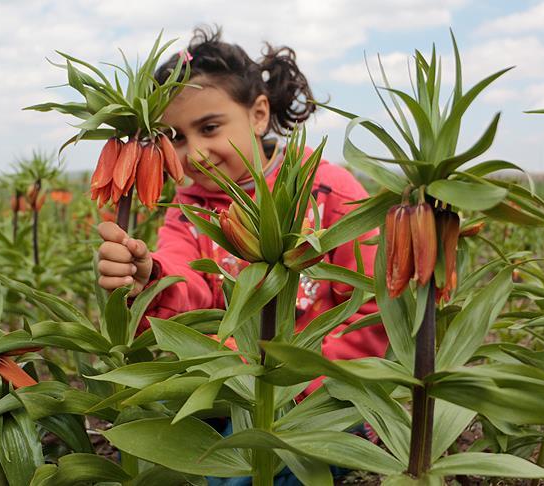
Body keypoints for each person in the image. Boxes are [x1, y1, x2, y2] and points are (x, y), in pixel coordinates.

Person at [96, 25, 387, 380]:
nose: (196, 155)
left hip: (325, 386)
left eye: (209, 128)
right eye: (176, 138)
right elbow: (186, 274)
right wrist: (152, 276)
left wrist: (312, 382)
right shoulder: (191, 208)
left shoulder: (329, 190)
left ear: (258, 114)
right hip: (232, 385)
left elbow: (373, 304)